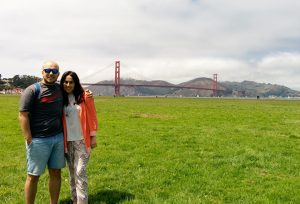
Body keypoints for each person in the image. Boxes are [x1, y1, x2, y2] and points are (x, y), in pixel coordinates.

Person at [19, 60, 65, 204]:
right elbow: (23, 114)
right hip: (38, 140)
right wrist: (28, 137)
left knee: (56, 173)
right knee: (33, 176)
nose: (51, 73)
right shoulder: (32, 90)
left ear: (58, 74)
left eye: (54, 71)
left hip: (58, 138)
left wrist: (87, 92)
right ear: (42, 72)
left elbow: (75, 91)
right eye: (48, 70)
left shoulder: (60, 89)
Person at [60, 71, 98, 204]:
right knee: (71, 172)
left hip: (82, 140)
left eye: (71, 82)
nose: (68, 84)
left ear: (76, 83)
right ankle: (74, 199)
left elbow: (93, 116)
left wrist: (93, 136)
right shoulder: (61, 98)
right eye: (66, 82)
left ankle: (82, 201)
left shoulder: (85, 96)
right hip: (67, 142)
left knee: (80, 171)